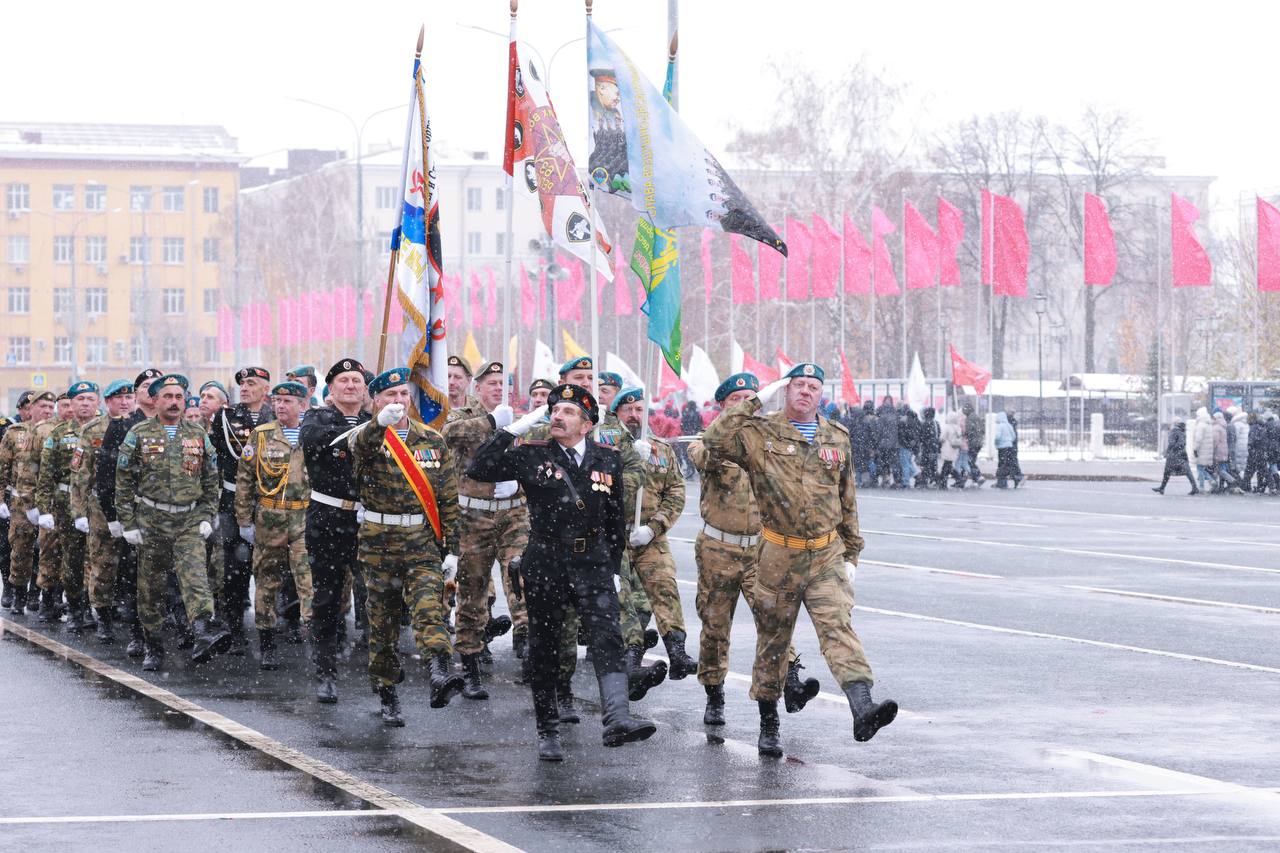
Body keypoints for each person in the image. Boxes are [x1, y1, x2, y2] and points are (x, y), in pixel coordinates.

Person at [702, 362, 897, 757]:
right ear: (786, 391)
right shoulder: (760, 433)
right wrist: (757, 399)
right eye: (798, 386)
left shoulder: (836, 436)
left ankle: (862, 706)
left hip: (826, 553)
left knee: (837, 626)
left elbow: (847, 498)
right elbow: (714, 439)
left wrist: (853, 554)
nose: (806, 392)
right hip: (778, 554)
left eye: (813, 387)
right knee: (773, 642)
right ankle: (769, 722)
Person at [467, 383, 656, 761]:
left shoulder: (607, 458)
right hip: (547, 561)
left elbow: (614, 517)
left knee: (608, 637)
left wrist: (614, 566)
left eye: (568, 412)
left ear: (587, 424)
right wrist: (512, 429)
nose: (557, 416)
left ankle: (617, 718)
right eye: (554, 411)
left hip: (593, 564)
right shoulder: (531, 455)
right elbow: (479, 468)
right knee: (546, 649)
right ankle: (547, 728)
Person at [688, 373, 819, 726]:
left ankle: (785, 686)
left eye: (750, 397)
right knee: (715, 628)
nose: (744, 404)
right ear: (723, 406)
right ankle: (714, 693)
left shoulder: (768, 445)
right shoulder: (707, 443)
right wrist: (754, 404)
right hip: (719, 548)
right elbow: (710, 454)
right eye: (737, 399)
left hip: (761, 550)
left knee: (773, 623)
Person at [350, 368, 464, 725]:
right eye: (389, 396)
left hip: (420, 543)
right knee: (382, 624)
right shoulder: (365, 437)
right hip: (378, 545)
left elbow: (447, 497)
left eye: (402, 395)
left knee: (430, 608)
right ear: (376, 402)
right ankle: (386, 691)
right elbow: (362, 452)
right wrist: (378, 425)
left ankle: (440, 672)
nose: (398, 402)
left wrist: (453, 550)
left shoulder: (431, 439)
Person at [114, 374, 231, 671]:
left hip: (188, 520)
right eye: (168, 396)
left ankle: (203, 630)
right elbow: (124, 482)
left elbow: (210, 478)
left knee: (195, 577)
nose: (175, 402)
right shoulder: (138, 433)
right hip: (151, 522)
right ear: (155, 400)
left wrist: (206, 515)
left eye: (179, 397)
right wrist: (128, 523)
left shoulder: (197, 434)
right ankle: (153, 643)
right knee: (151, 588)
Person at [440, 360, 531, 700]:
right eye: (490, 383)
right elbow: (449, 436)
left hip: (513, 515)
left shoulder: (525, 420)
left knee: (522, 580)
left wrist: (518, 480)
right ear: (477, 388)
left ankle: (528, 651)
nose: (497, 388)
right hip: (473, 517)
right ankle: (472, 663)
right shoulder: (463, 416)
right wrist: (493, 422)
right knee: (473, 591)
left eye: (503, 383)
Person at [613, 387, 697, 679]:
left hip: (650, 535)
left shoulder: (661, 449)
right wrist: (626, 459)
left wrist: (653, 527)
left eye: (640, 410)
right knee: (624, 599)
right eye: (628, 410)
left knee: (665, 588)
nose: (635, 416)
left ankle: (677, 652)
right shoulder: (603, 445)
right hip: (615, 536)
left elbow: (675, 491)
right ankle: (632, 657)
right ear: (617, 414)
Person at [300, 358, 370, 704]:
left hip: (368, 519)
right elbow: (317, 442)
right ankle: (325, 670)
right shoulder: (318, 417)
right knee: (327, 598)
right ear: (331, 387)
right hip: (328, 517)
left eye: (357, 380)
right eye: (343, 380)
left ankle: (381, 674)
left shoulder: (376, 419)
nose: (351, 386)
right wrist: (366, 433)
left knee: (375, 596)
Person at [234, 381, 315, 670]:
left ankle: (316, 642)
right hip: (270, 518)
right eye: (277, 401)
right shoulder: (262, 435)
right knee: (267, 581)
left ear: (302, 405)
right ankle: (267, 643)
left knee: (308, 581)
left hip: (304, 517)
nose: (281, 406)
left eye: (288, 401)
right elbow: (245, 479)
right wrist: (244, 520)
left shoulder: (312, 432)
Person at [209, 367, 276, 651]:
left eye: (252, 383)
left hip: (270, 502)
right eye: (242, 384)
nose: (245, 388)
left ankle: (270, 633)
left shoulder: (276, 417)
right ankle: (234, 628)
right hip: (232, 502)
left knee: (270, 569)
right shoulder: (226, 417)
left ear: (265, 389)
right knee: (234, 571)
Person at [97, 369, 159, 655]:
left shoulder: (175, 424)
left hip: (173, 514)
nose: (151, 390)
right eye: (145, 386)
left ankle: (174, 628)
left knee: (171, 576)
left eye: (156, 386)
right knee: (134, 575)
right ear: (137, 394)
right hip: (135, 511)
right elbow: (107, 475)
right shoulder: (123, 426)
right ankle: (139, 633)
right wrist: (113, 517)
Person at [35, 380, 101, 634]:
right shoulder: (59, 434)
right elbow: (45, 475)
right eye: (80, 399)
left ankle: (91, 606)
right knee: (72, 560)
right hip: (65, 506)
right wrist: (44, 510)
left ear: (97, 402)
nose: (85, 404)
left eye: (89, 399)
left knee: (96, 559)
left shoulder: (105, 430)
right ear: (71, 404)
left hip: (97, 505)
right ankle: (75, 608)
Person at [71, 379, 134, 642]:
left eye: (128, 397)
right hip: (100, 507)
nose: (124, 402)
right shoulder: (92, 430)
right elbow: (80, 474)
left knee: (134, 565)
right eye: (117, 398)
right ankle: (103, 616)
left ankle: (133, 616)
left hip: (133, 505)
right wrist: (79, 512)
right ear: (107, 402)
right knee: (103, 562)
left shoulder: (141, 427)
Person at [0, 391, 56, 617]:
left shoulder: (57, 433)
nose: (47, 411)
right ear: (30, 408)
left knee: (47, 551)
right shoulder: (14, 434)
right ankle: (18, 593)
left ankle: (38, 593)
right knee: (21, 550)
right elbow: (2, 468)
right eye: (43, 406)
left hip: (49, 502)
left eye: (51, 407)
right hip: (21, 503)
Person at [1153, 420, 1197, 495]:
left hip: (1174, 455)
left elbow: (1172, 443)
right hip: (1181, 455)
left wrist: (1169, 451)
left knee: (1167, 472)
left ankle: (1162, 488)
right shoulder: (1181, 432)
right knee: (1187, 472)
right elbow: (1181, 443)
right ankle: (1194, 487)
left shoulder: (1174, 432)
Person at [938, 411, 966, 489]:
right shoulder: (958, 428)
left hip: (947, 448)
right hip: (955, 448)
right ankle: (945, 482)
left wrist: (939, 441)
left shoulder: (947, 427)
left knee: (947, 466)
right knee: (948, 466)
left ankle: (946, 482)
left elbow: (942, 438)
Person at [962, 402, 986, 485]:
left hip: (973, 443)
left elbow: (968, 431)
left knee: (970, 461)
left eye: (964, 410)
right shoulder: (978, 417)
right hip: (979, 443)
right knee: (972, 460)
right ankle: (973, 479)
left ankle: (978, 476)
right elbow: (983, 430)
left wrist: (964, 435)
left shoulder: (969, 419)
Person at [916, 407, 941, 488]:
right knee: (933, 464)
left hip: (927, 447)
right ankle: (935, 480)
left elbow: (921, 436)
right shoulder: (936, 423)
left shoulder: (924, 423)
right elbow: (939, 434)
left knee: (925, 464)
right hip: (935, 447)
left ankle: (924, 481)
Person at [1192, 407, 1215, 492]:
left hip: (1201, 451)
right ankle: (1210, 480)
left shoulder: (1201, 425)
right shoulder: (1208, 424)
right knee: (1203, 468)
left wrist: (1195, 449)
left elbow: (1198, 439)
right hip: (1208, 450)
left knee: (1200, 469)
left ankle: (1203, 485)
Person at [993, 412, 1018, 489]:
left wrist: (996, 443)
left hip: (1002, 448)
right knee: (1008, 464)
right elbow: (1013, 436)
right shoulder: (1009, 425)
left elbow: (997, 437)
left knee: (1001, 465)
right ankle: (1015, 477)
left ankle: (1002, 482)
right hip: (1009, 447)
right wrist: (1009, 441)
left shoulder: (999, 426)